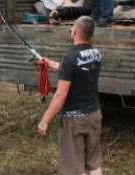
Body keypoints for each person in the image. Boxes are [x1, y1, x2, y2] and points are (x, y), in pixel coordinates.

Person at [38, 16, 103, 175]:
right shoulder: (96, 54)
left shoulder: (69, 58)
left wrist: (45, 120)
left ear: (74, 31)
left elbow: (60, 95)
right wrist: (50, 63)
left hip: (74, 119)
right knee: (94, 165)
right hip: (94, 115)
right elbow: (78, 68)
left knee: (74, 168)